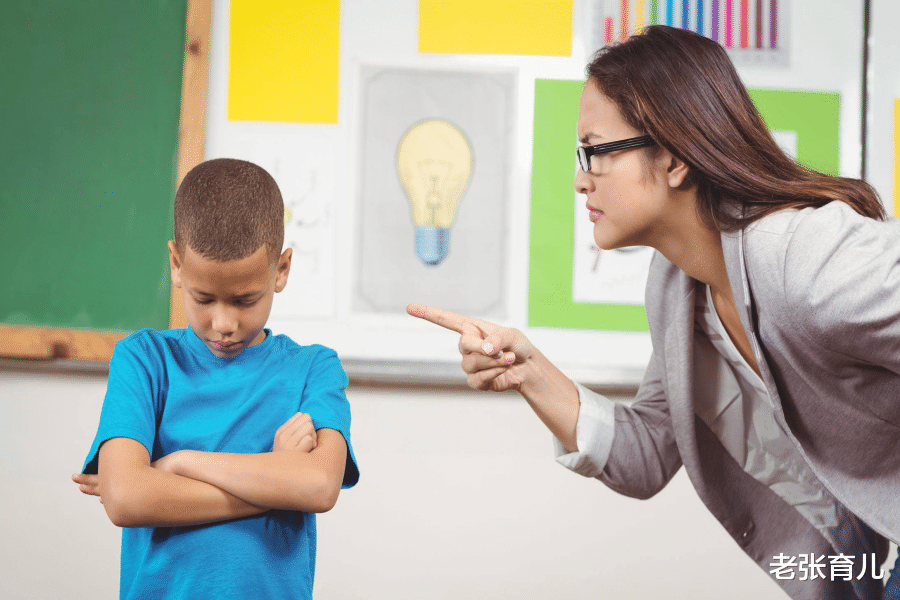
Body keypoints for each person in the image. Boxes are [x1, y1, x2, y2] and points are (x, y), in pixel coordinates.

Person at [408, 25, 900, 600]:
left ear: (672, 160)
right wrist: (528, 368)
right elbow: (645, 456)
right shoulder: (677, 287)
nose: (578, 179)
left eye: (594, 150)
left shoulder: (803, 255)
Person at [72, 158, 359, 599]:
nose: (223, 323)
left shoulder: (314, 368)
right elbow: (127, 497)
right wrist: (277, 483)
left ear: (281, 270)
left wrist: (181, 464)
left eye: (245, 300)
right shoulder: (144, 360)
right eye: (203, 298)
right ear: (176, 264)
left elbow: (319, 487)